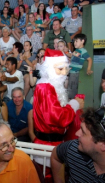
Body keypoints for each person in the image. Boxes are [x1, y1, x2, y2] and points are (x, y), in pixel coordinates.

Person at [33, 49, 84, 182]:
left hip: (54, 144)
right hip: (47, 147)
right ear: (49, 68)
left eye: (66, 69)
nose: (64, 73)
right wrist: (74, 104)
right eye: (60, 69)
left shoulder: (51, 85)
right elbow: (56, 118)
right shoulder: (45, 87)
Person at [51, 107, 105, 182]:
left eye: (83, 132)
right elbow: (55, 155)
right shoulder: (74, 148)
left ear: (103, 144)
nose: (77, 133)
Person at [68, 34, 93, 99]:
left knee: (72, 89)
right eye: (74, 41)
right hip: (71, 71)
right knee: (70, 87)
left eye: (76, 41)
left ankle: (72, 102)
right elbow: (72, 55)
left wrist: (88, 69)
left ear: (82, 41)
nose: (74, 43)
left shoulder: (83, 51)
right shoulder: (77, 50)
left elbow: (89, 59)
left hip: (75, 73)